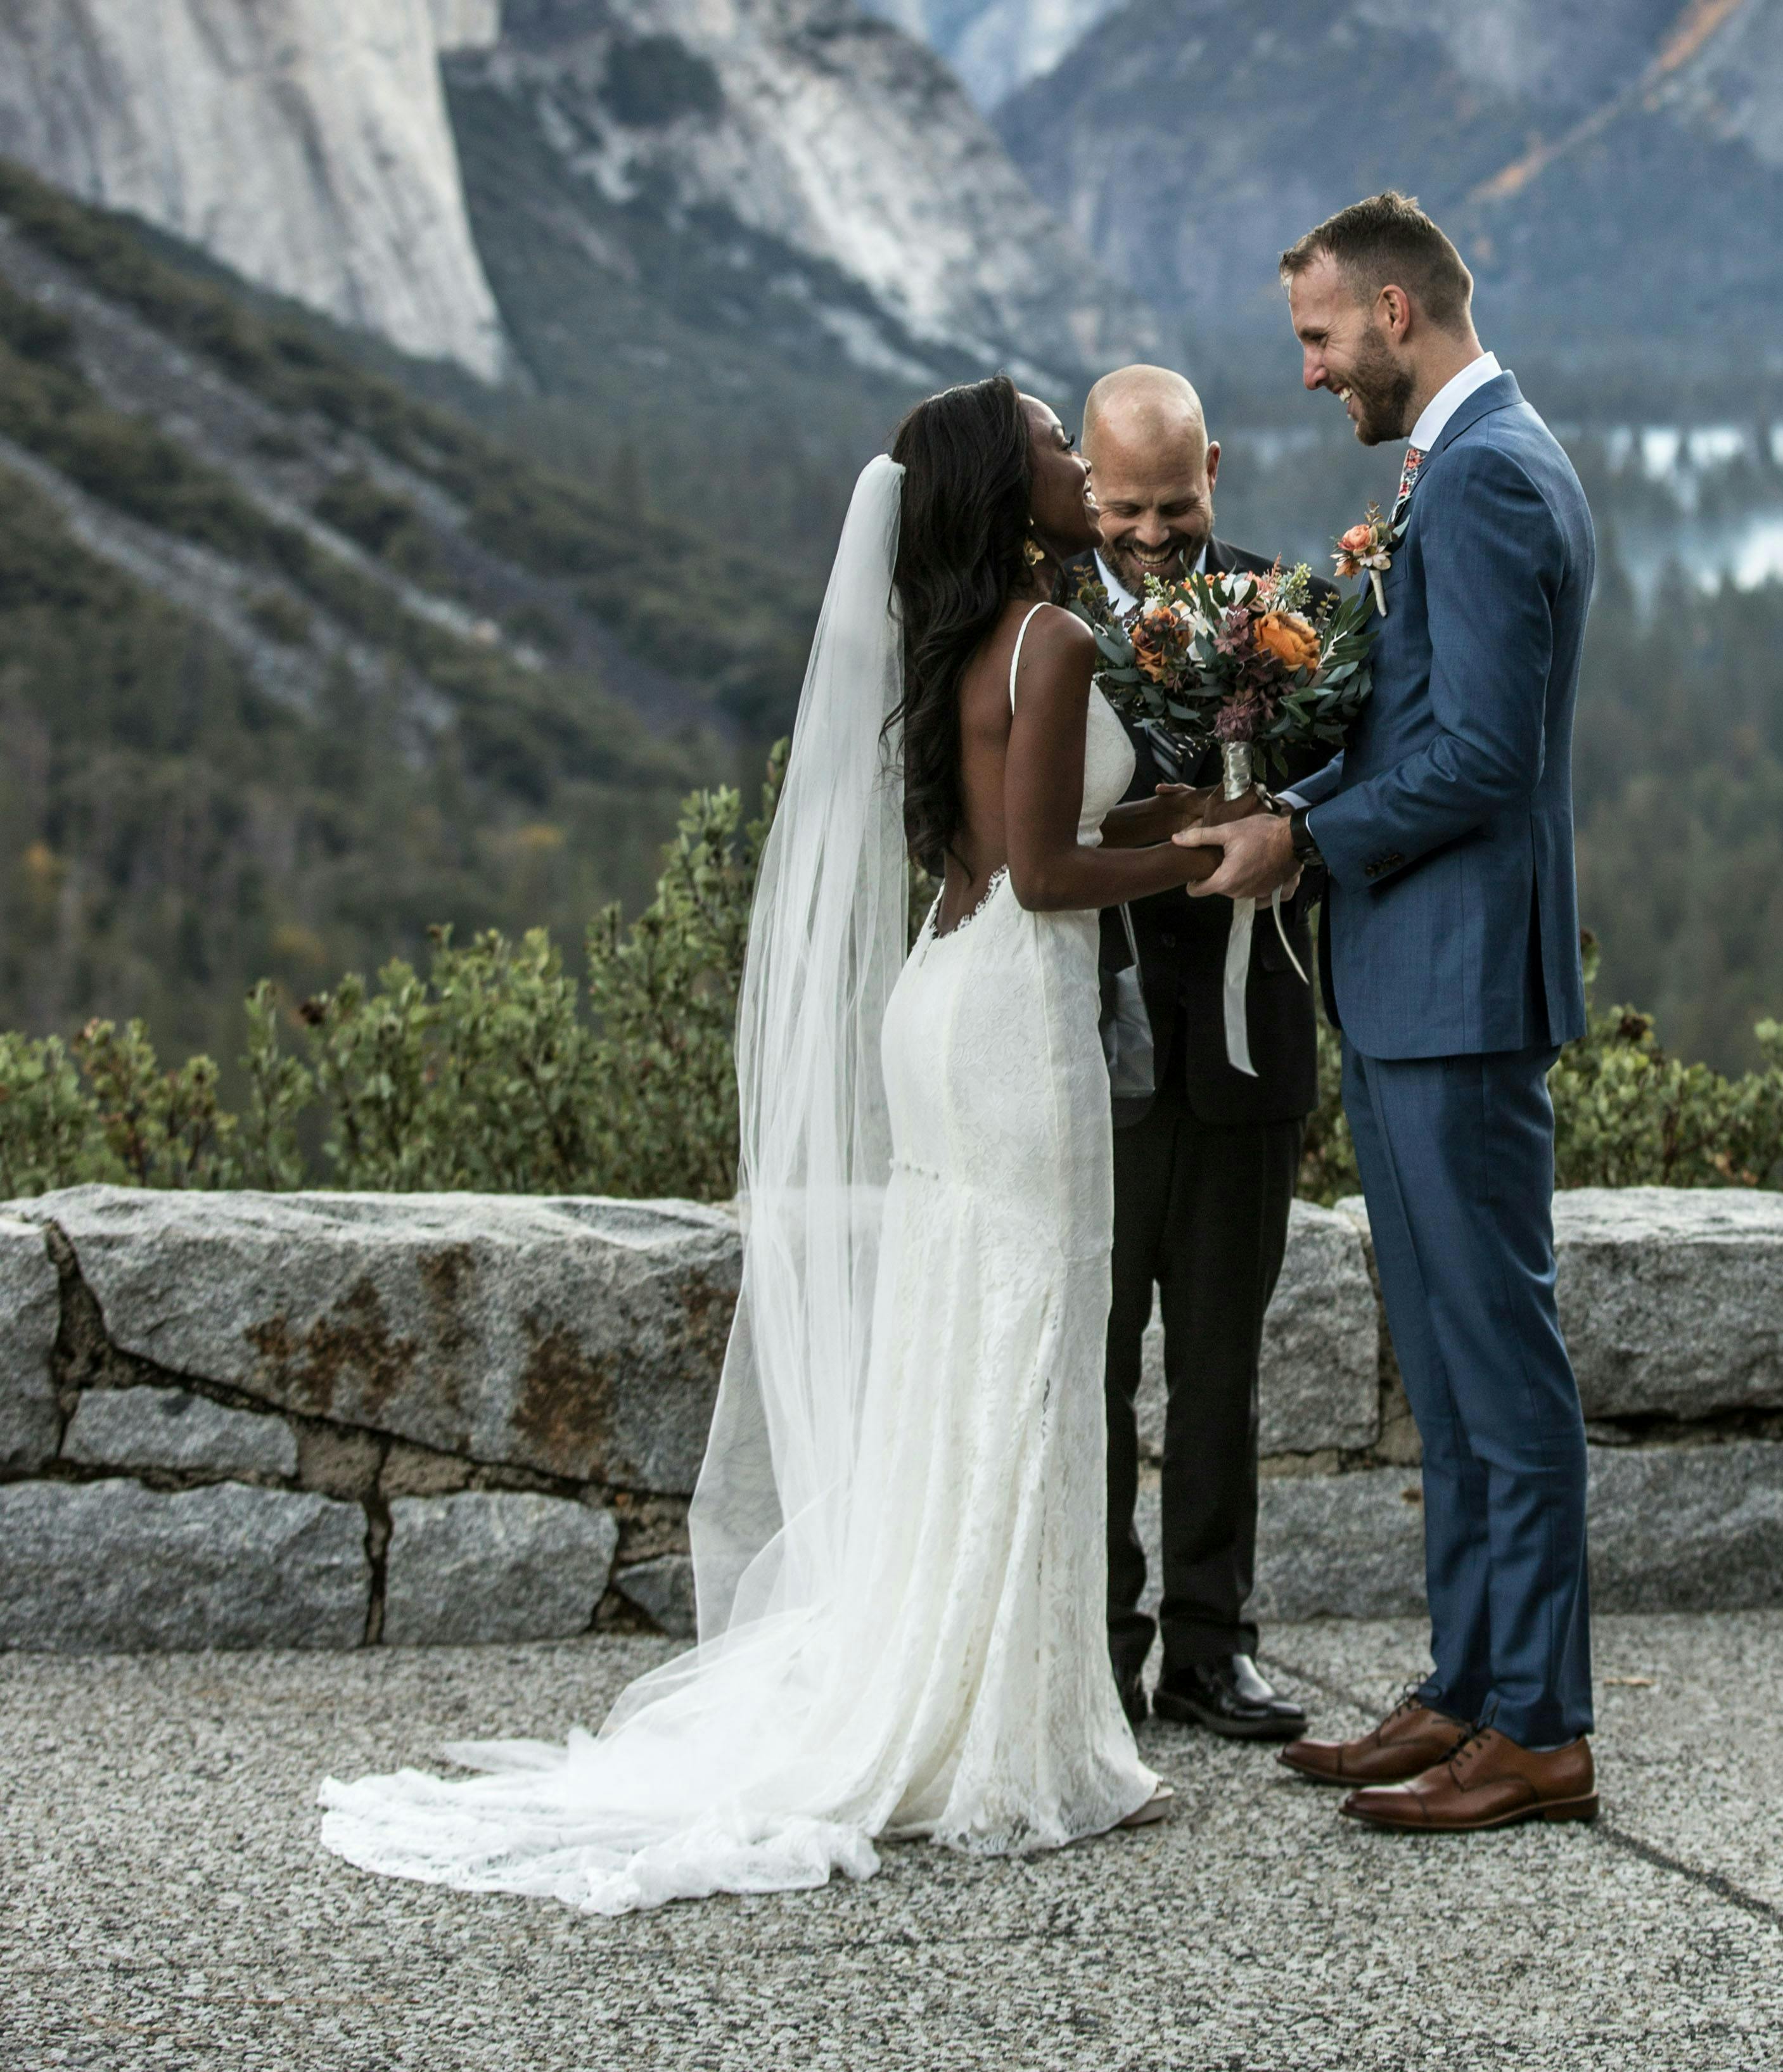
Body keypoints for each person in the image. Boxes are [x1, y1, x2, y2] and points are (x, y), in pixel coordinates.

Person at [319, 378, 1257, 1912]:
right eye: (1043, 441)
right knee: (1024, 1347)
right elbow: (1046, 867)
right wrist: (1211, 861)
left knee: (969, 1336)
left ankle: (989, 1695)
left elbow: (1025, 825)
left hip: (940, 997)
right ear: (998, 486)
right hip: (1016, 1020)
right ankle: (1018, 1741)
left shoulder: (961, 635)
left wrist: (1190, 804)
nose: (1071, 458)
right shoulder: (1060, 635)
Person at [1179, 193, 1600, 1832]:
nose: (1307, 373)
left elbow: (1488, 757)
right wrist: (1270, 795)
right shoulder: (1456, 464)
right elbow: (1423, 716)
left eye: (1318, 336)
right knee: (1445, 1357)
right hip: (1416, 975)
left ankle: (1544, 1725)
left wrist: (1308, 838)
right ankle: (1468, 1685)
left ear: (1398, 315)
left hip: (1462, 984)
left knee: (1500, 1360)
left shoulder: (1489, 475)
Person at [1078, 364, 1320, 1742]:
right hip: (1093, 1062)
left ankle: (1212, 1649)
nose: (1155, 535)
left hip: (1246, 1050)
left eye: (1175, 505)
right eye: (1126, 508)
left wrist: (1295, 845)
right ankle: (1102, 1649)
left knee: (1220, 1364)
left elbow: (1334, 795)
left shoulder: (1284, 618)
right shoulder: (1046, 621)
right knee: (1095, 1368)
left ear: (1213, 471)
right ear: (1088, 492)